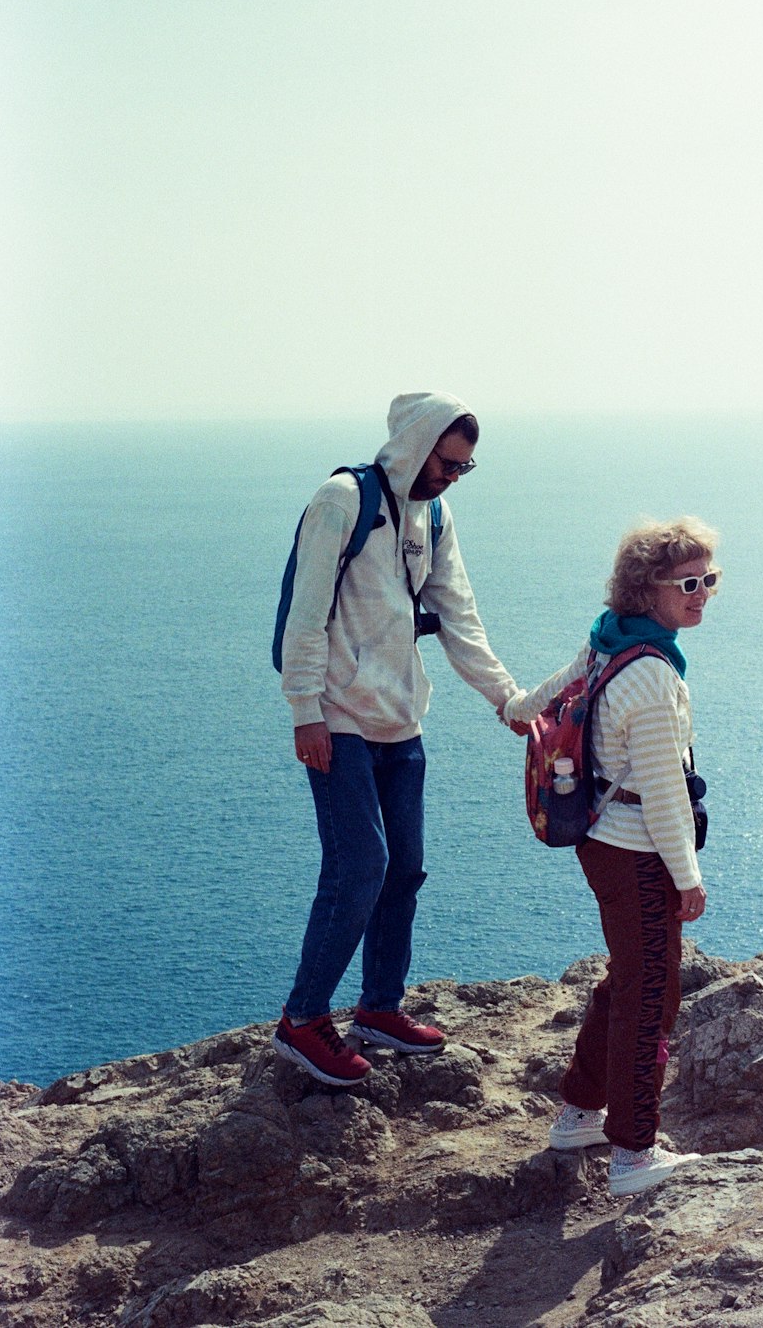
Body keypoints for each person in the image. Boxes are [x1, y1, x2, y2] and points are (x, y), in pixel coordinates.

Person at [272, 391, 521, 1087]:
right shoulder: (342, 501)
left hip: (401, 719)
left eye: (465, 468)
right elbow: (306, 613)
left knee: (404, 869)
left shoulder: (433, 517)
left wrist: (506, 698)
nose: (451, 477)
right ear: (417, 444)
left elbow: (459, 616)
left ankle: (378, 1008)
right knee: (359, 868)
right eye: (447, 462)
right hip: (340, 720)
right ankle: (302, 1018)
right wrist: (305, 711)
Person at [501, 517, 719, 1197]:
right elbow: (663, 794)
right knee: (651, 995)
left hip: (601, 842)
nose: (703, 593)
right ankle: (632, 1154)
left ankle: (579, 1113)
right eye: (688, 582)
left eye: (711, 579)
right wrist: (688, 878)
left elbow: (542, 699)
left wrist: (514, 706)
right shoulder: (651, 677)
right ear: (645, 589)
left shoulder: (608, 643)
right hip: (638, 853)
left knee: (629, 978)